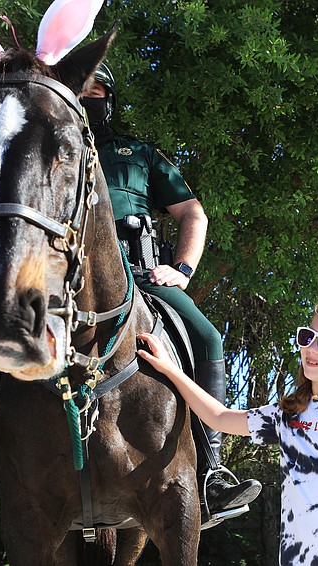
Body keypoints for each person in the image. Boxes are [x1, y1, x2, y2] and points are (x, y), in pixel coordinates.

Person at [81, 63, 262, 523]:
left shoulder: (139, 153)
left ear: (110, 99)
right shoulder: (44, 144)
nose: (88, 96)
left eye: (96, 89)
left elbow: (193, 213)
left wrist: (181, 270)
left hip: (140, 275)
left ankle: (212, 474)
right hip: (64, 281)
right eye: (79, 89)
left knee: (208, 340)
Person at [137, 302, 318, 566]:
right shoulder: (289, 414)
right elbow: (219, 417)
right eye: (308, 337)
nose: (312, 348)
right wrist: (169, 368)